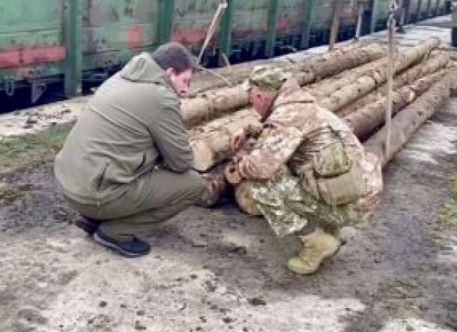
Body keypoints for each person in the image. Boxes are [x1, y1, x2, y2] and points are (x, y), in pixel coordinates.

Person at [54, 42, 216, 257]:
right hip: (94, 195)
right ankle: (115, 231)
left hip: (70, 185)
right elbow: (181, 163)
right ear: (169, 73)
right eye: (185, 81)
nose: (187, 90)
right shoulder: (161, 98)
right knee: (193, 185)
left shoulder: (120, 78)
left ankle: (94, 217)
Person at [227, 66, 383, 275]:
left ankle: (316, 243)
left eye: (251, 99)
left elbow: (259, 168)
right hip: (359, 193)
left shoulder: (287, 115)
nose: (251, 104)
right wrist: (249, 130)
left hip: (353, 205)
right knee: (295, 167)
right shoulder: (300, 104)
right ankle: (330, 229)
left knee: (261, 184)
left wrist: (239, 162)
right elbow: (283, 132)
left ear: (259, 96)